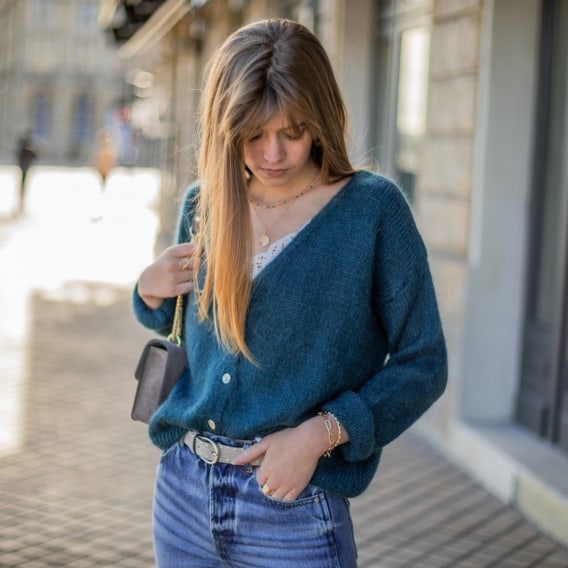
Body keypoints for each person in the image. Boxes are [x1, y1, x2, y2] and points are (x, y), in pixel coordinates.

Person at [133, 18, 447, 568]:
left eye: (293, 132)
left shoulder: (373, 213)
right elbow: (189, 334)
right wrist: (149, 291)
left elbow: (423, 363)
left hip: (291, 509)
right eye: (253, 135)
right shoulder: (203, 204)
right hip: (183, 493)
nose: (273, 153)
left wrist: (321, 434)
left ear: (321, 119)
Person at [16, 130, 38, 215]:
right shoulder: (25, 148)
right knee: (23, 184)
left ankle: (22, 200)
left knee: (23, 184)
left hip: (24, 167)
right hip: (24, 167)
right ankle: (21, 200)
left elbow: (35, 156)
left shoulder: (26, 148)